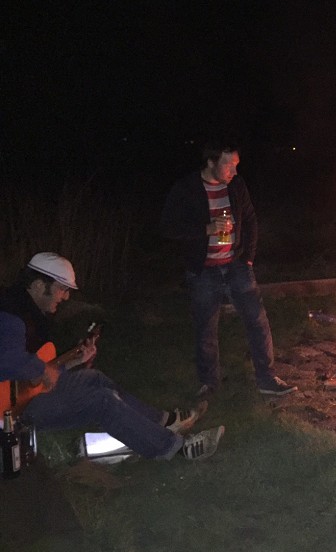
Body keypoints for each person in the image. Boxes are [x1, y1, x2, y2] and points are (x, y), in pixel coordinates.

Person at [0, 253, 224, 461]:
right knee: (102, 400)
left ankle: (165, 422)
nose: (66, 297)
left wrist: (74, 361)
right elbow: (8, 360)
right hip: (12, 416)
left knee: (94, 378)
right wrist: (41, 369)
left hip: (24, 399)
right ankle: (177, 448)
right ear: (39, 285)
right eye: (62, 289)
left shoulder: (29, 311)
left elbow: (30, 377)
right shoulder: (11, 314)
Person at [160, 140, 296, 398]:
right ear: (211, 162)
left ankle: (267, 379)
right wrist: (207, 229)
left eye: (236, 165)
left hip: (236, 265)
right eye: (229, 165)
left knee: (257, 321)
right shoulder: (187, 188)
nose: (234, 171)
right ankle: (209, 384)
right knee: (206, 328)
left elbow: (251, 220)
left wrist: (248, 259)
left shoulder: (236, 186)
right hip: (203, 269)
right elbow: (168, 227)